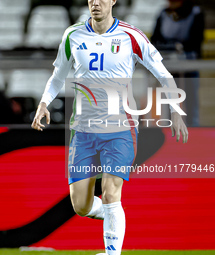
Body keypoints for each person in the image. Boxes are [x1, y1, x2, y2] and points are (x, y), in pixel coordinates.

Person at [31, 0, 188, 254]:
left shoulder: (131, 36)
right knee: (80, 205)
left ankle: (112, 249)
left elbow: (163, 73)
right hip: (83, 130)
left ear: (113, 0)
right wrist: (43, 103)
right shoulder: (73, 35)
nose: (96, 3)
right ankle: (114, 215)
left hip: (120, 128)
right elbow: (58, 75)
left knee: (111, 192)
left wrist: (176, 111)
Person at [151, 0, 204, 126]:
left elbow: (196, 42)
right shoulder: (163, 14)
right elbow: (155, 39)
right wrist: (171, 46)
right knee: (170, 101)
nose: (171, 3)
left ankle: (193, 129)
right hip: (169, 64)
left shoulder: (196, 13)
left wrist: (180, 46)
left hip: (189, 64)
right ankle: (171, 128)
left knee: (190, 99)